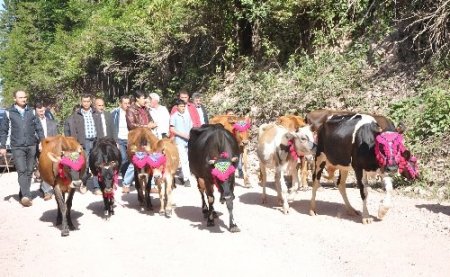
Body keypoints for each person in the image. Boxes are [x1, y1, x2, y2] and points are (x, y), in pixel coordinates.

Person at [0, 90, 45, 207]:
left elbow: (38, 128)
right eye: (20, 97)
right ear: (15, 99)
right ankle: (26, 196)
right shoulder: (9, 112)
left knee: (29, 171)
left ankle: (23, 193)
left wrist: (42, 142)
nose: (23, 99)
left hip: (31, 145)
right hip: (17, 146)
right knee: (22, 170)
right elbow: (3, 131)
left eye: (25, 97)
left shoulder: (32, 111)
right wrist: (3, 146)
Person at [66, 94, 103, 195]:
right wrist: (76, 144)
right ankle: (84, 183)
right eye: (84, 101)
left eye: (88, 101)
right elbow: (74, 131)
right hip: (84, 142)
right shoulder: (76, 115)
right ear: (81, 102)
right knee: (85, 165)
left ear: (91, 102)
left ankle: (96, 187)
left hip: (95, 141)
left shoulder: (96, 113)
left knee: (96, 164)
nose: (86, 103)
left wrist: (101, 141)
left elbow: (99, 129)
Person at [125, 90, 157, 193]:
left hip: (148, 137)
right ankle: (126, 183)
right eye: (143, 98)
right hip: (136, 138)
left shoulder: (145, 109)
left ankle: (150, 185)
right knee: (135, 161)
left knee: (150, 159)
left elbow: (151, 120)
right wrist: (146, 126)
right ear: (137, 99)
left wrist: (152, 124)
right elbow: (131, 125)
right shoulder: (131, 109)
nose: (145, 100)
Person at [34, 101, 58, 201]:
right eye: (39, 111)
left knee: (51, 169)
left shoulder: (52, 123)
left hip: (50, 149)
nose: (42, 112)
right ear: (35, 110)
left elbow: (56, 136)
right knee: (44, 169)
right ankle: (47, 191)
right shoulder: (32, 122)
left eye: (43, 110)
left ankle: (49, 187)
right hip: (38, 149)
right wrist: (38, 143)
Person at [111, 95, 135, 193]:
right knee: (124, 158)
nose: (127, 105)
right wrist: (114, 140)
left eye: (128, 103)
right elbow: (112, 127)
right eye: (125, 103)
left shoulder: (132, 112)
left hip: (131, 139)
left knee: (132, 159)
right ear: (120, 103)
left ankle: (127, 179)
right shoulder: (115, 113)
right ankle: (126, 179)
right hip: (120, 139)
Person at [170, 99, 193, 187]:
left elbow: (191, 125)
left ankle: (181, 175)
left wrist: (190, 134)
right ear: (177, 107)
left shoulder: (187, 115)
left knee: (187, 159)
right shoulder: (174, 116)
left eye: (184, 106)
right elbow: (172, 129)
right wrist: (183, 135)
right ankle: (187, 179)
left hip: (188, 140)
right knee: (184, 160)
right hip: (179, 141)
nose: (183, 108)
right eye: (181, 106)